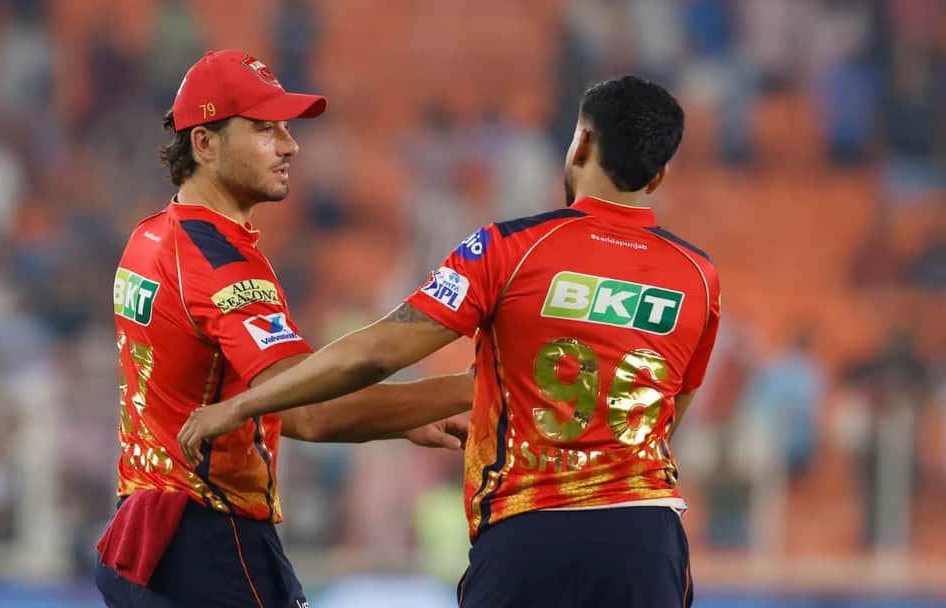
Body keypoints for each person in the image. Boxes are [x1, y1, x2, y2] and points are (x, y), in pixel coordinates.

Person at [180, 75, 721, 607]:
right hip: (648, 540)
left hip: (531, 535)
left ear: (580, 144)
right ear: (658, 176)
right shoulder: (699, 277)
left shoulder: (509, 248)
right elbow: (668, 417)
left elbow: (379, 352)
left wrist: (244, 404)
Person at [95, 49, 473, 608]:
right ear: (205, 143)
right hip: (212, 541)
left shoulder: (150, 236)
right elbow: (310, 412)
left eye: (286, 128)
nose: (289, 145)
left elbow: (278, 405)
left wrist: (401, 417)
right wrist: (467, 389)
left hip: (145, 535)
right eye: (264, 129)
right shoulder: (221, 264)